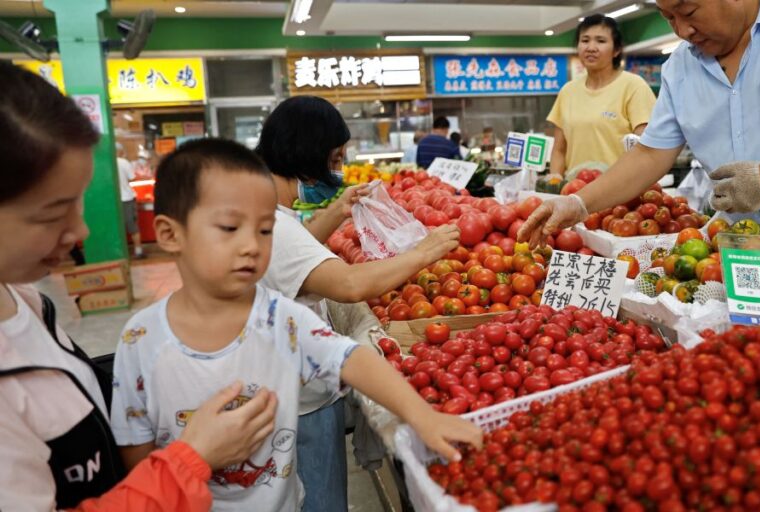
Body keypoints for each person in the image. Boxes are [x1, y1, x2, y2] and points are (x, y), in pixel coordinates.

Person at [109, 138, 482, 511]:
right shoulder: (141, 341)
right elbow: (135, 448)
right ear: (171, 234)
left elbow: (352, 358)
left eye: (265, 230)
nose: (252, 246)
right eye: (229, 228)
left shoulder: (279, 317)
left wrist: (422, 416)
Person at [0, 60, 278, 511]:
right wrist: (193, 458)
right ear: (173, 235)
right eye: (52, 213)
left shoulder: (23, 299)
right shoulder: (141, 334)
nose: (81, 232)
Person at [520, 0, 760, 254]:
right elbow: (651, 154)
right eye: (669, 16)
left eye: (688, 10)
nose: (682, 30)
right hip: (745, 259)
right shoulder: (680, 68)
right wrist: (580, 202)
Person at [253, 96, 461, 511]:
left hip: (287, 389)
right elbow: (348, 284)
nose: (338, 169)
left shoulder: (269, 210)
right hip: (300, 404)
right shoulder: (270, 222)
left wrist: (338, 210)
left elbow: (299, 250)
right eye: (334, 158)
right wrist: (424, 251)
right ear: (306, 152)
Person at [547, 15, 658, 179]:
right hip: (575, 190)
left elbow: (646, 149)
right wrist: (555, 181)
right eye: (585, 40)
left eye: (600, 41)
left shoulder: (634, 86)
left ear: (617, 50)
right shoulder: (568, 91)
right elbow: (559, 150)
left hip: (620, 191)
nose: (591, 47)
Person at [117, 143, 145, 259]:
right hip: (126, 199)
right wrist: (144, 176)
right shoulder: (123, 162)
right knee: (132, 226)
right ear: (119, 151)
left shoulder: (104, 162)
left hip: (113, 201)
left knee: (118, 227)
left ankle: (120, 254)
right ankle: (138, 251)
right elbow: (132, 178)